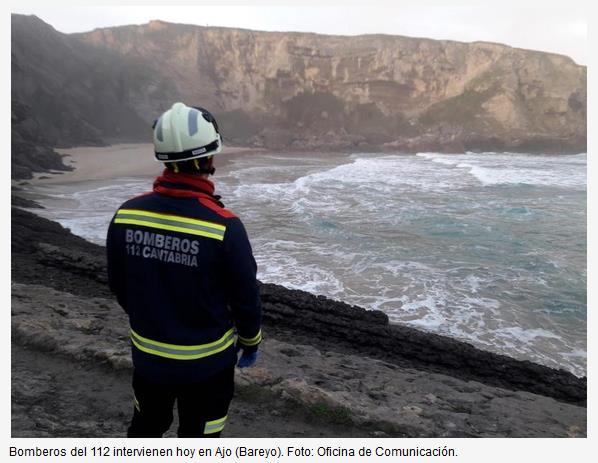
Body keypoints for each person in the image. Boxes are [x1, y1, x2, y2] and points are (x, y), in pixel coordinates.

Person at [106, 102, 262, 438]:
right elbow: (245, 297)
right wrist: (251, 341)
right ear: (209, 158)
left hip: (148, 357)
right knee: (201, 437)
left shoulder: (126, 214)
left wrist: (153, 319)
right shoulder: (225, 226)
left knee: (146, 428)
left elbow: (118, 284)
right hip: (208, 366)